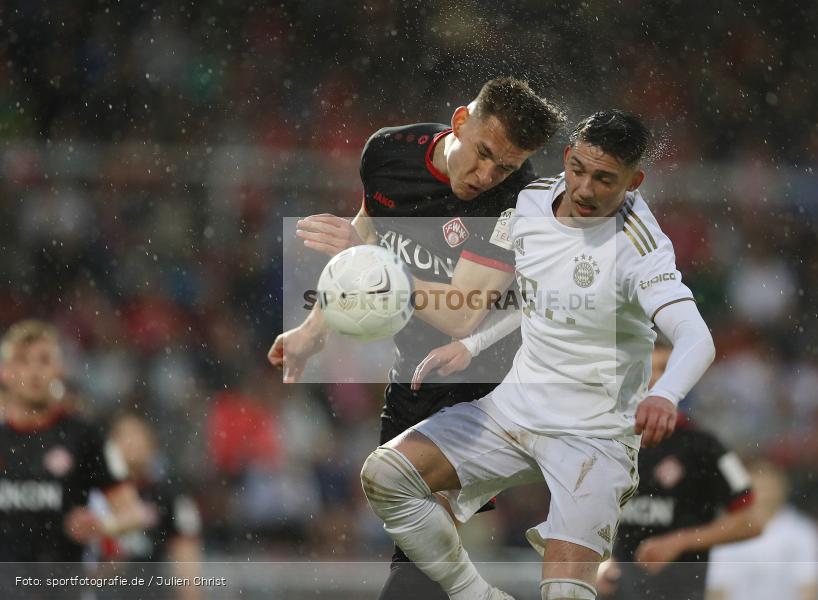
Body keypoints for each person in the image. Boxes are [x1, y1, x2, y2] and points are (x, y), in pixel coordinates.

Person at [361, 110, 717, 600]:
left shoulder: (641, 246)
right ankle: (476, 597)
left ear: (633, 182)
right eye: (578, 169)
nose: (585, 189)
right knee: (386, 475)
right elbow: (535, 296)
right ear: (567, 156)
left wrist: (665, 394)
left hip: (594, 435)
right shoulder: (529, 202)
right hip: (514, 409)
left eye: (604, 179)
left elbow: (697, 337)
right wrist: (472, 344)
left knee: (565, 593)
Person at [268, 77, 565, 599]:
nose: (487, 175)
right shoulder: (389, 152)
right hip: (415, 374)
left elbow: (462, 313)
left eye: (504, 166)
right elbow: (367, 232)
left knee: (420, 548)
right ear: (459, 123)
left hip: (489, 387)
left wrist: (371, 259)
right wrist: (314, 329)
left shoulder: (517, 198)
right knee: (413, 543)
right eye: (483, 154)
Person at [594, 343, 758, 600]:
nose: (654, 378)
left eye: (664, 369)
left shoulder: (705, 447)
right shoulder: (604, 443)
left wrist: (680, 541)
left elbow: (750, 522)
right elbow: (581, 517)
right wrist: (595, 563)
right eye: (644, 369)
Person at [0, 320, 148, 597]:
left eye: (44, 360)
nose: (34, 371)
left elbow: (135, 512)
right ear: (5, 372)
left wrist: (103, 526)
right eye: (23, 361)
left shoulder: (85, 436)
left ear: (60, 369)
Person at [92, 412, 203, 600]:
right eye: (123, 436)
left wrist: (190, 592)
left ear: (152, 445)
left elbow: (186, 557)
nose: (131, 443)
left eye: (138, 436)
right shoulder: (92, 493)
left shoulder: (170, 496)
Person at [705, 461, 818, 600]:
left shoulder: (803, 531)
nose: (764, 494)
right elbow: (717, 589)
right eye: (758, 487)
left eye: (768, 487)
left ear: (781, 488)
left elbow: (809, 587)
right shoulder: (725, 531)